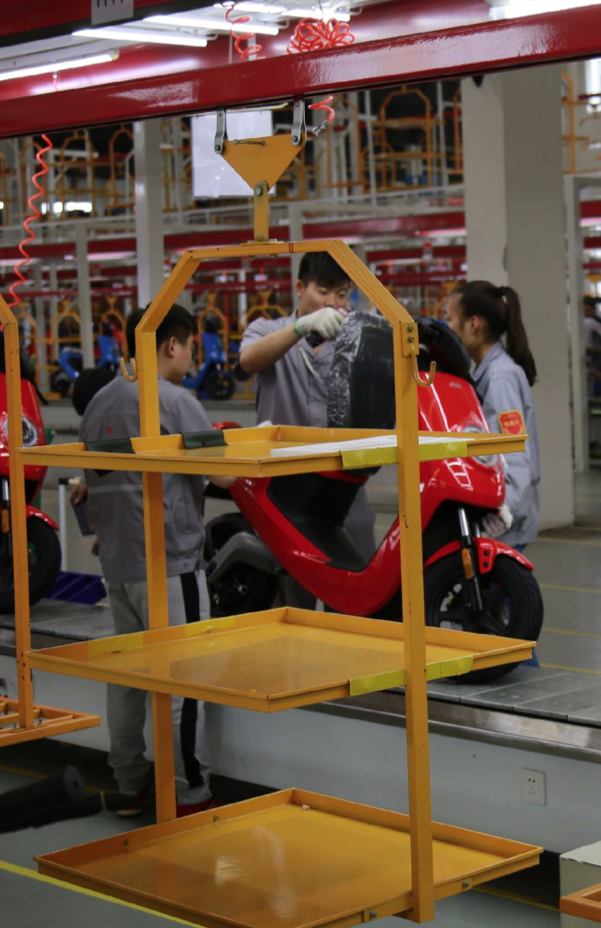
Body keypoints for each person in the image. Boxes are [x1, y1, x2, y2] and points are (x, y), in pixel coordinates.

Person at [73, 304, 218, 818]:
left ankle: (130, 784)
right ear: (171, 345)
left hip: (118, 567)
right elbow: (223, 470)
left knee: (128, 680)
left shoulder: (99, 404)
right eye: (191, 347)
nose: (191, 358)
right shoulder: (177, 401)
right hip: (171, 566)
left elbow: (94, 480)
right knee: (183, 684)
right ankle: (189, 794)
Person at [237, 253, 376, 601]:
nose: (332, 302)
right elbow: (248, 361)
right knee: (292, 601)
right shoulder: (267, 330)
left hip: (346, 489)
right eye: (323, 291)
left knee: (355, 597)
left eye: (341, 294)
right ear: (300, 288)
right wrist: (301, 328)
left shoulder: (354, 340)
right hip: (285, 495)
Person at [445, 281, 539, 550]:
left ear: (473, 325)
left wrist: (503, 509)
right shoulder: (485, 372)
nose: (447, 328)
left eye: (449, 319)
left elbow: (514, 452)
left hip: (505, 525)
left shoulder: (500, 378)